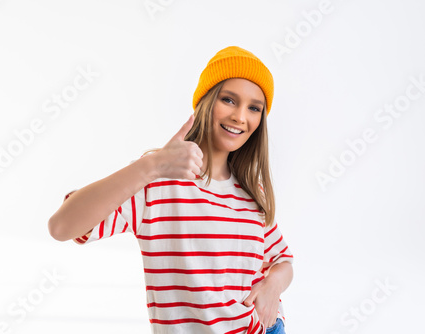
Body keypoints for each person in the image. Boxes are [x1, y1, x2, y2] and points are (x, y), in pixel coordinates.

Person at [48, 46, 294, 334]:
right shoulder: (159, 179)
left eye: (254, 108)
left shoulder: (254, 191)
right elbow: (61, 226)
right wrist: (151, 166)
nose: (240, 116)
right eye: (228, 100)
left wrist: (272, 285)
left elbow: (283, 261)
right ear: (205, 102)